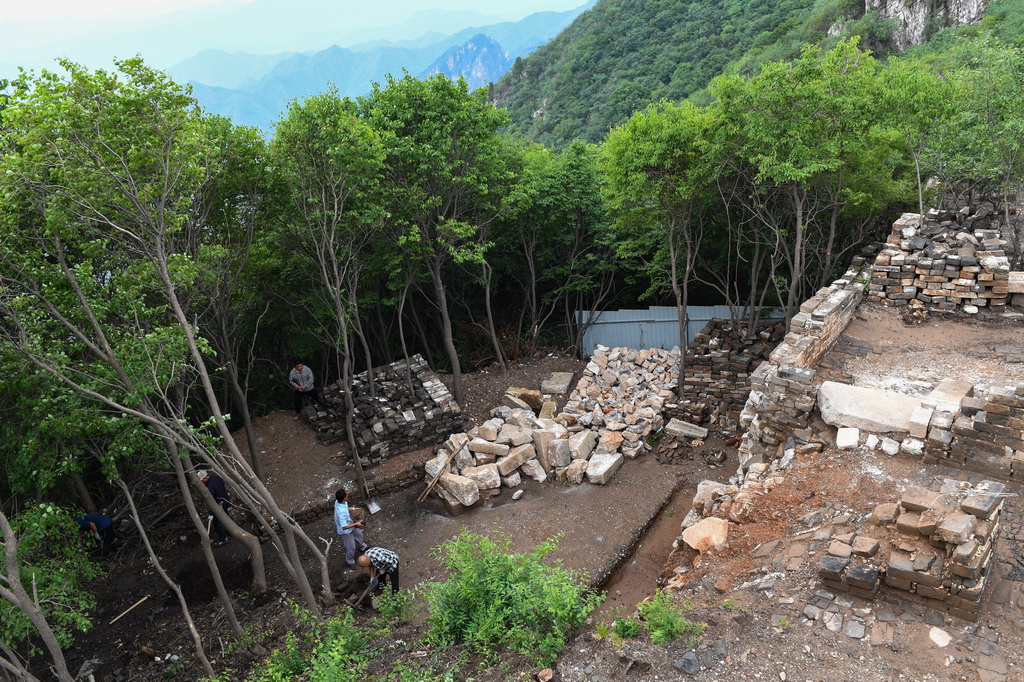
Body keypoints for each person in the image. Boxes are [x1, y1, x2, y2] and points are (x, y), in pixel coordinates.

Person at [197, 469, 231, 547]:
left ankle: (223, 538)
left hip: (219, 505)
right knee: (226, 517)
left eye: (202, 479)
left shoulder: (209, 487)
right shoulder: (217, 477)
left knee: (217, 522)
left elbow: (212, 501)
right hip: (226, 500)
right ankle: (229, 532)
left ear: (205, 477)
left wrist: (211, 512)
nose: (202, 481)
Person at [334, 488, 366, 567]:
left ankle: (362, 547)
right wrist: (356, 524)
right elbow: (344, 527)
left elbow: (345, 508)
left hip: (350, 525)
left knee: (359, 535)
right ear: (344, 498)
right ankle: (350, 562)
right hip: (346, 532)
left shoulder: (338, 502)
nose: (347, 495)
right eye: (346, 495)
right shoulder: (341, 513)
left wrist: (353, 509)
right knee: (351, 548)